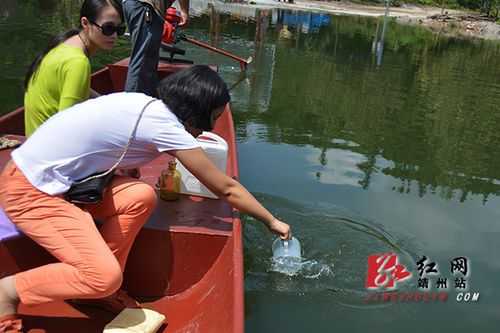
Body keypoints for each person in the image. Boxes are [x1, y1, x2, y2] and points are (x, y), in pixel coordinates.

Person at [0, 65, 290, 331]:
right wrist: (272, 221)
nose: (210, 127)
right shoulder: (165, 127)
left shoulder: (146, 105)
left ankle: (98, 293)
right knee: (104, 276)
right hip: (29, 191)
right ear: (197, 111)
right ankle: (9, 292)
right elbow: (226, 188)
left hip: (54, 182)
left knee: (140, 195)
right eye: (212, 117)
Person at [23, 0, 125, 137]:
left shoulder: (65, 44)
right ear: (85, 23)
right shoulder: (78, 62)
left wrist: (106, 102)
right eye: (108, 28)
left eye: (119, 30)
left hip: (34, 141)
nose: (114, 36)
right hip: (51, 150)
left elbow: (76, 88)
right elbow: (66, 125)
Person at [122, 0, 189, 96]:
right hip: (145, 7)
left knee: (148, 60)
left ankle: (149, 99)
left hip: (134, 5)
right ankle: (133, 104)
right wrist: (184, 11)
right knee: (142, 62)